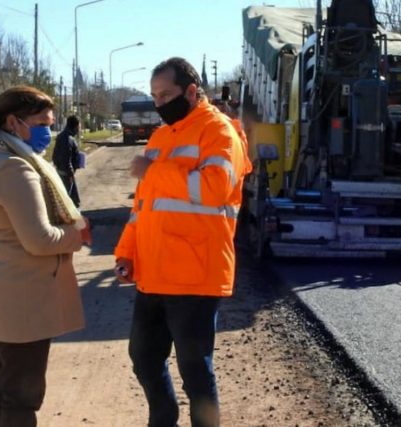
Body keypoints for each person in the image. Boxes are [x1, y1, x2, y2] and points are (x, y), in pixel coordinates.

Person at [114, 57, 251, 427]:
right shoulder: (161, 137)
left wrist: (155, 171)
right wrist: (126, 252)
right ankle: (163, 419)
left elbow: (213, 189)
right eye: (155, 96)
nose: (159, 104)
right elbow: (143, 207)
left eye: (166, 95)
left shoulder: (218, 132)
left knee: (195, 371)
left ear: (192, 91)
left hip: (195, 274)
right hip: (153, 273)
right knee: (143, 357)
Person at [0, 86, 91, 426]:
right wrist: (76, 234)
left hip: (2, 291)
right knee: (21, 397)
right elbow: (39, 240)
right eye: (42, 122)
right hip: (23, 297)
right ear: (14, 122)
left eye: (52, 122)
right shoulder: (14, 169)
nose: (48, 130)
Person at [52, 115, 83, 207]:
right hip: (66, 173)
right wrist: (70, 173)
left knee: (70, 198)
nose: (79, 129)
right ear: (76, 126)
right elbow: (66, 158)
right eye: (79, 126)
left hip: (63, 171)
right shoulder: (68, 139)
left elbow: (55, 155)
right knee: (68, 200)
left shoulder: (63, 136)